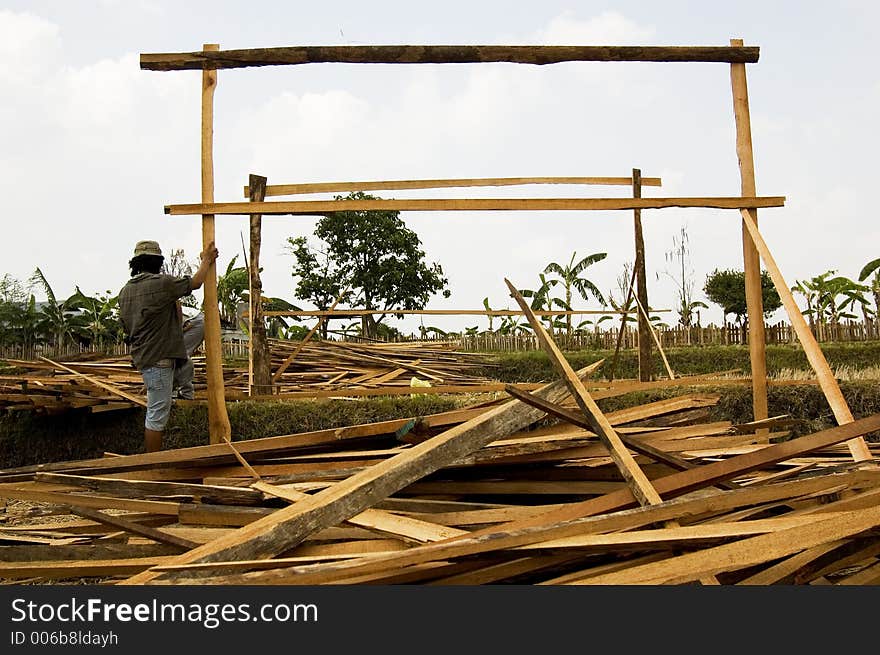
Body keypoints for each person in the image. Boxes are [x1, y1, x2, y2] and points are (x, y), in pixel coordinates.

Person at [118, 239, 218, 453]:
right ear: (158, 262)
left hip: (146, 357)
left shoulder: (125, 291)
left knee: (185, 368)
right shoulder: (161, 284)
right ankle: (154, 463)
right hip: (159, 360)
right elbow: (195, 282)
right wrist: (206, 261)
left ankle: (182, 394)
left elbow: (127, 327)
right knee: (156, 415)